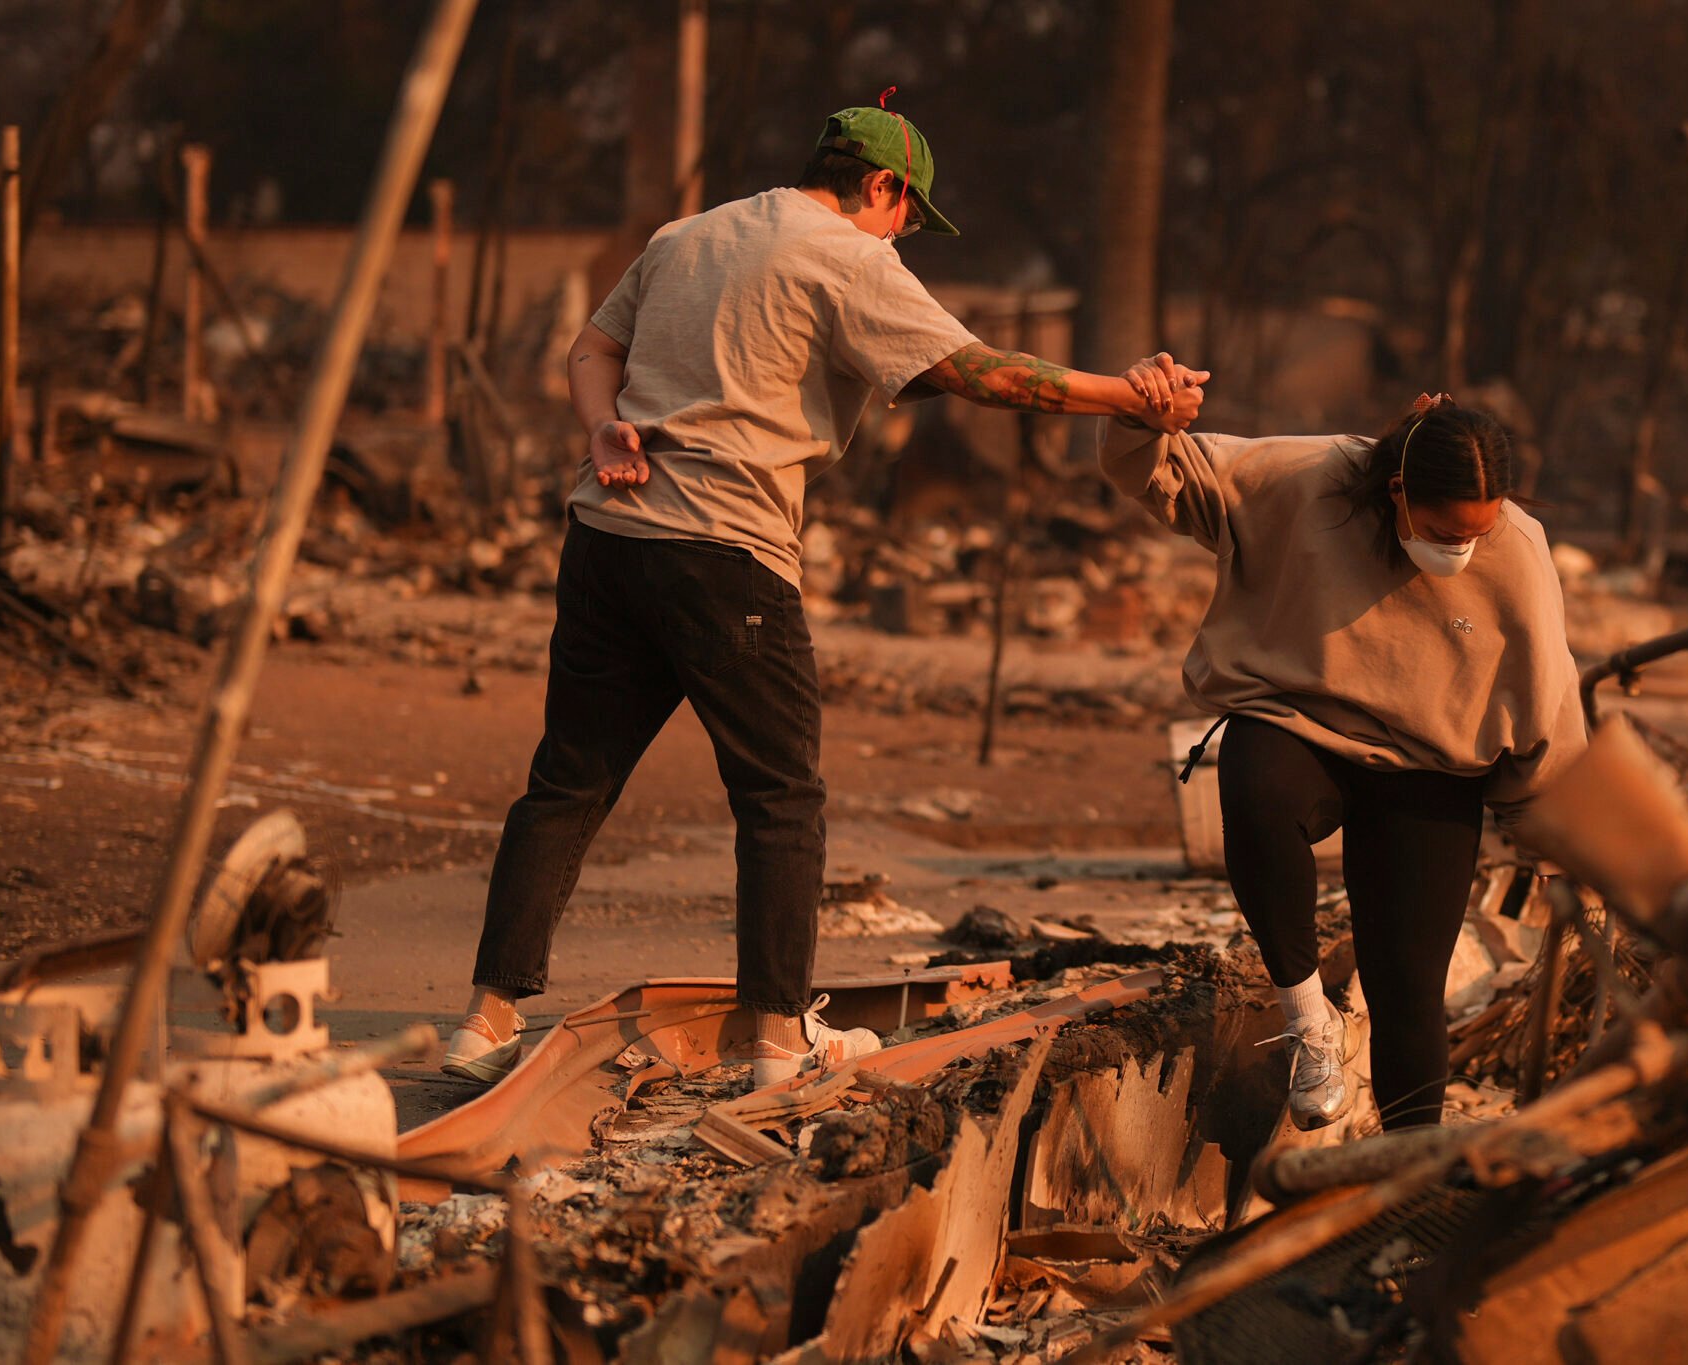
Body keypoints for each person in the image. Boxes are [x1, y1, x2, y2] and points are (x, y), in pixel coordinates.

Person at [442, 99, 1203, 1090]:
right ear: (880, 188)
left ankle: (485, 1019)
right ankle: (771, 1043)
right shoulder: (847, 257)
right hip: (724, 552)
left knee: (567, 785)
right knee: (780, 801)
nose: (903, 242)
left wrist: (602, 429)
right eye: (907, 220)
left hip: (606, 536)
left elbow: (591, 352)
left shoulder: (690, 236)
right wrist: (1127, 394)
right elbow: (978, 372)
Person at [1101, 372, 1585, 1130]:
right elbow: (1166, 472)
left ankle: (1405, 1181)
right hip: (1303, 727)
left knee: (1408, 991)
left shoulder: (1518, 552)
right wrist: (1139, 413)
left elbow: (1549, 704)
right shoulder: (1307, 480)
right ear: (1397, 489)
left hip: (1432, 768)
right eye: (1447, 529)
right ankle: (1309, 1025)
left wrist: (1563, 844)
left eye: (1477, 534)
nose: (1464, 546)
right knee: (1255, 784)